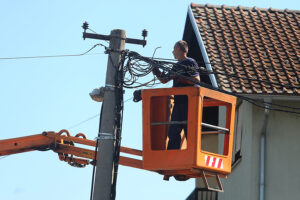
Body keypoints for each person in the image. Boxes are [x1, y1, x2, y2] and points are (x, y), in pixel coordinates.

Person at [152, 40, 200, 150]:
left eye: (174, 49)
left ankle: (192, 152)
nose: (172, 52)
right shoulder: (176, 66)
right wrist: (156, 71)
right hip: (179, 103)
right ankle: (172, 154)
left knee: (189, 130)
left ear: (179, 48)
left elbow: (196, 80)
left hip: (189, 103)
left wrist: (180, 77)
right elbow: (164, 80)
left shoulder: (190, 62)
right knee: (173, 131)